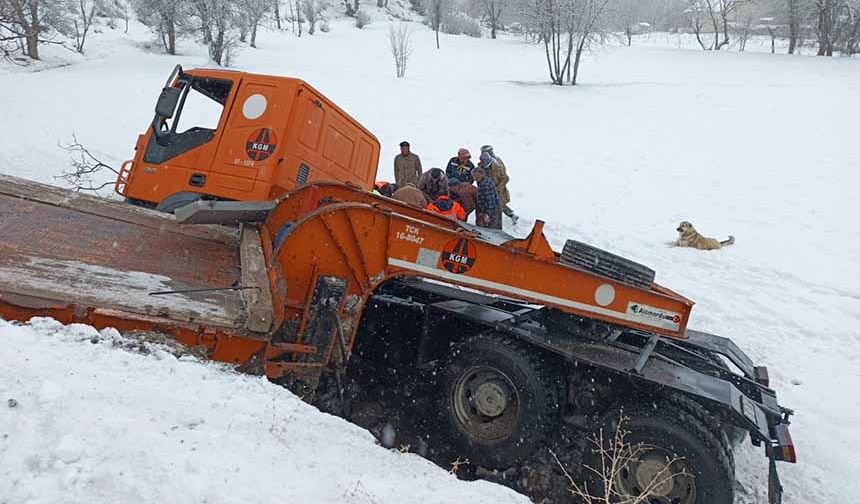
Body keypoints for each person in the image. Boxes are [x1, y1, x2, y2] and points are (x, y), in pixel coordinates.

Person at [480, 145, 518, 224]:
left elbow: (505, 178)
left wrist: (498, 188)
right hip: (488, 187)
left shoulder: (498, 165)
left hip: (498, 189)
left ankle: (510, 215)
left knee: (499, 204)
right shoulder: (482, 164)